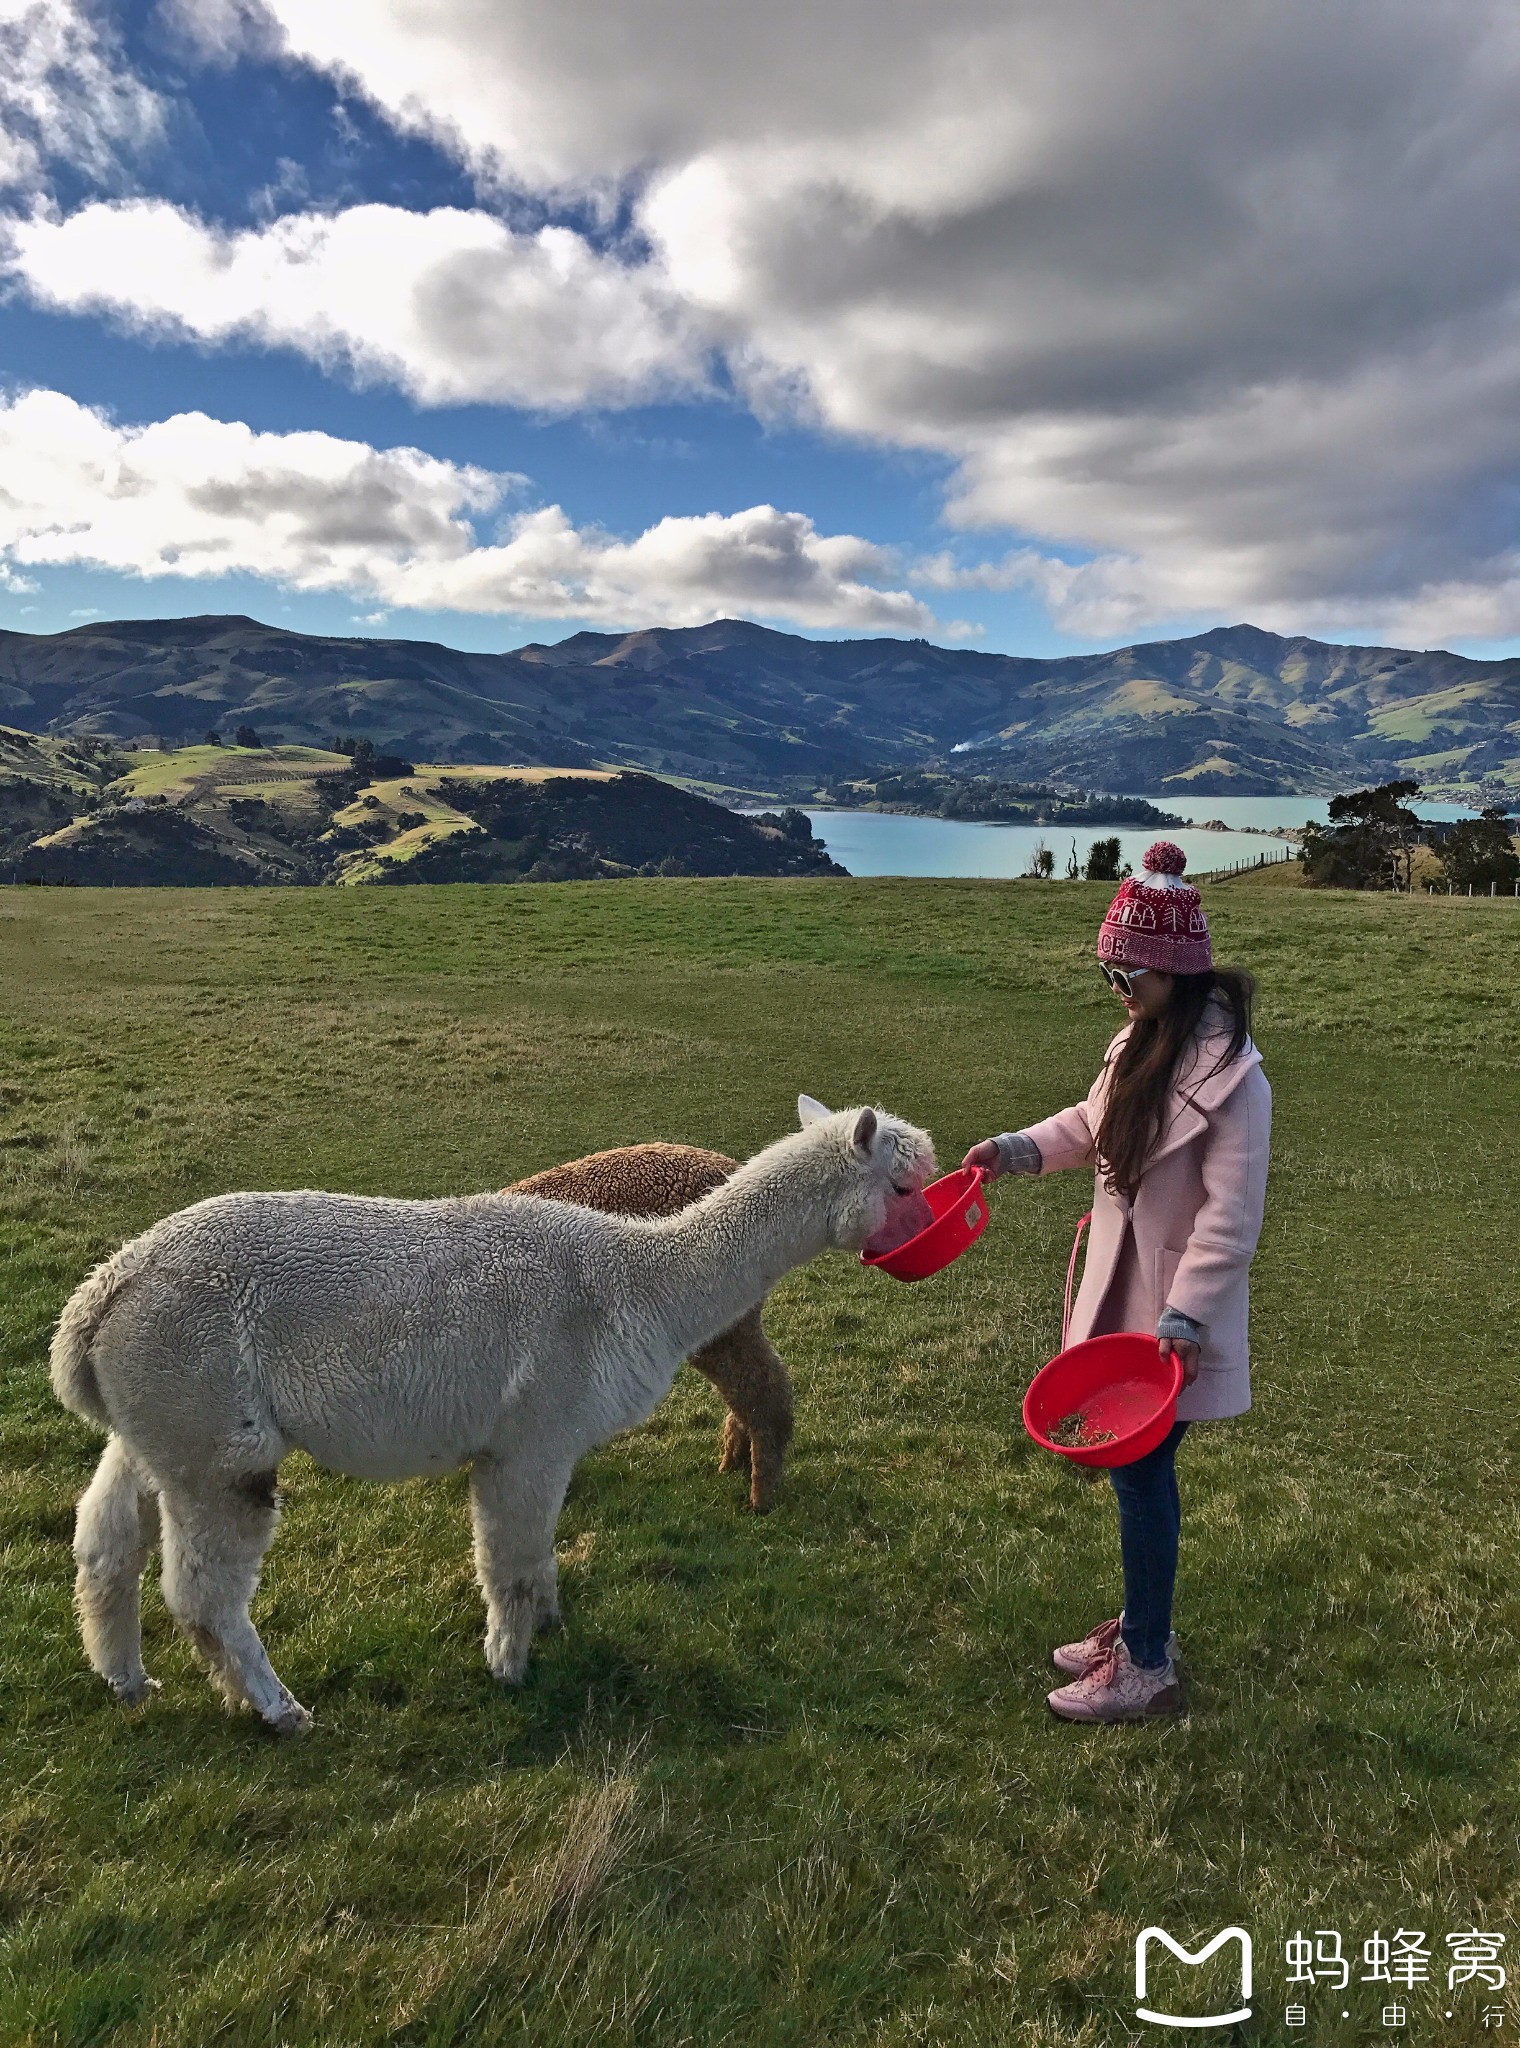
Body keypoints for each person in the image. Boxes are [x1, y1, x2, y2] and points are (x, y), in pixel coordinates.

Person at [964, 841, 1271, 1722]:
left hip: (1172, 1321)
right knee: (1139, 1478)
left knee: (1141, 1480)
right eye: (1110, 972)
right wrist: (1016, 1150)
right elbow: (1089, 1125)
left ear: (1176, 972)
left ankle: (1147, 1666)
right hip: (1123, 1293)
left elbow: (1231, 1218)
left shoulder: (1238, 1082)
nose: (1117, 987)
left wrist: (1185, 1315)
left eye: (1128, 971)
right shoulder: (1136, 1040)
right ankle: (1144, 1627)